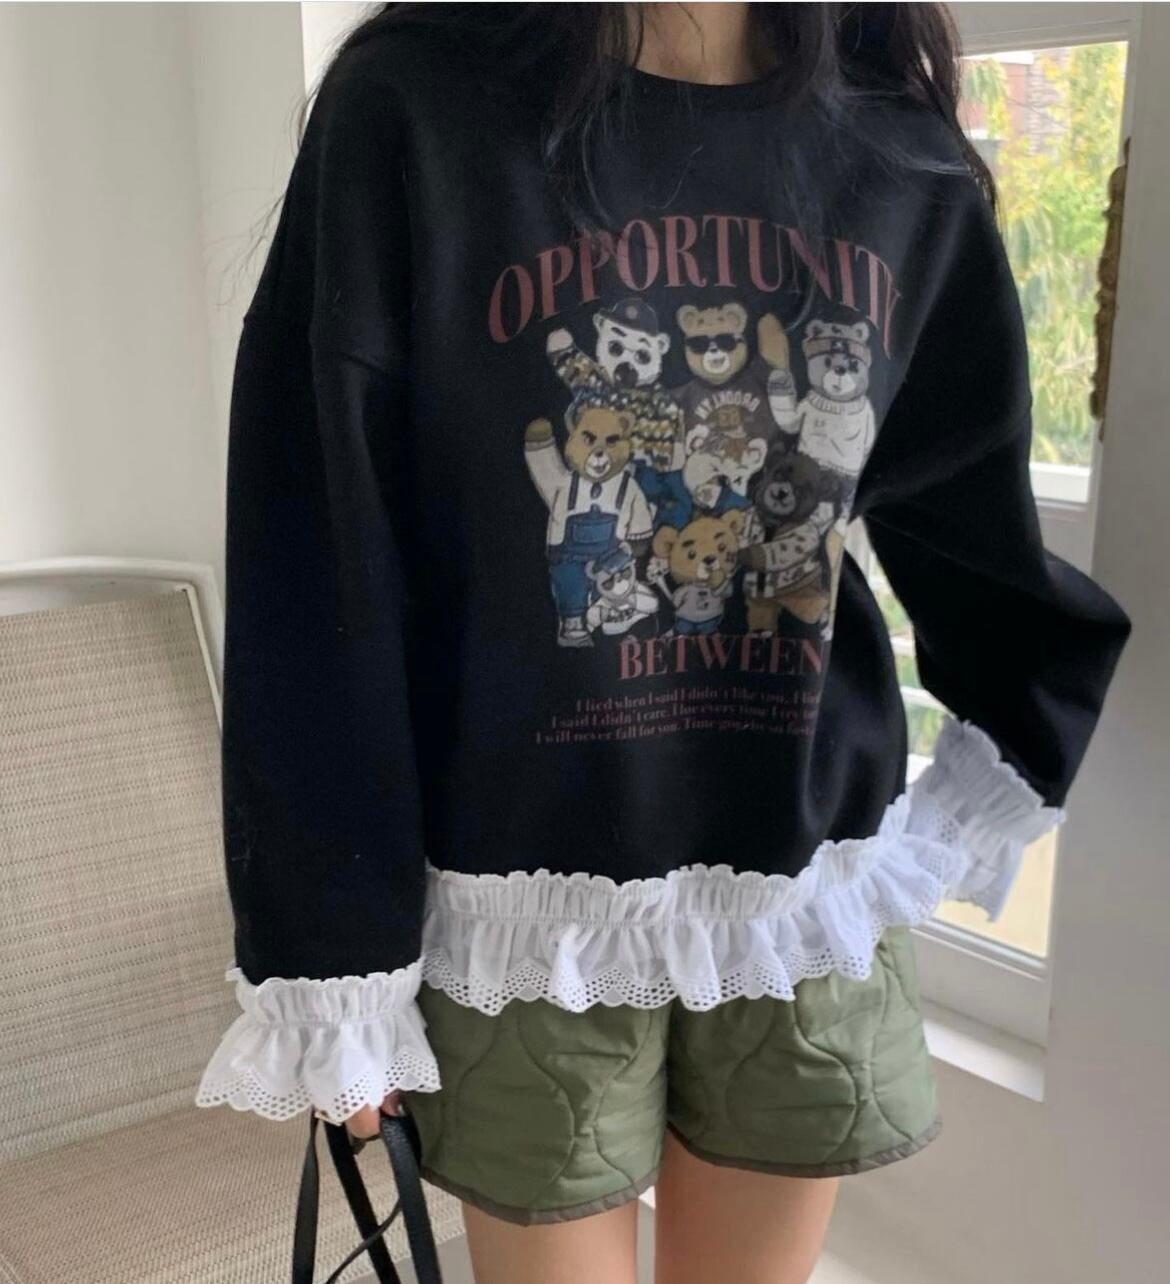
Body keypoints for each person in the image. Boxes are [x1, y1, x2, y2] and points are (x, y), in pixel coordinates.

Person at [194, 5, 1134, 1282]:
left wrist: (1013, 736)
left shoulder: (891, 148)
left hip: (799, 903)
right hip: (526, 915)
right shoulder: (415, 111)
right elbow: (321, 564)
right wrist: (335, 959)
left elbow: (968, 513)